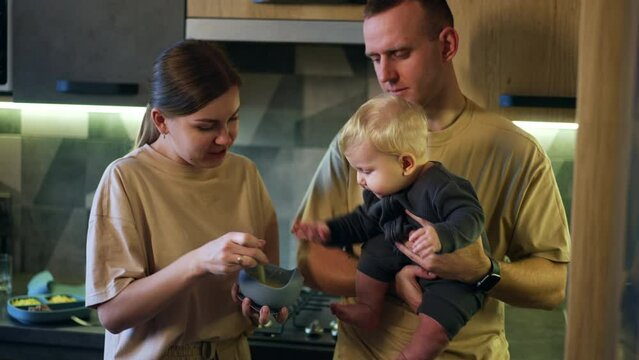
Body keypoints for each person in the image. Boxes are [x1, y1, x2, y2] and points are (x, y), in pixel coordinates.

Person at [294, 0, 571, 359]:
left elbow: (553, 287)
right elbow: (311, 259)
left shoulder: (516, 151)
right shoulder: (360, 143)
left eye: (399, 53)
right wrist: (394, 277)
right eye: (375, 58)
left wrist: (484, 271)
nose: (385, 74)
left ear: (447, 45)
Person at [85, 39, 287, 360]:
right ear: (161, 121)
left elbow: (266, 279)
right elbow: (112, 315)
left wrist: (261, 304)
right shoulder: (125, 179)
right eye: (206, 126)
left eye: (232, 118)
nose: (225, 137)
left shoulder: (245, 174)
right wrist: (197, 262)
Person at [292, 94, 489, 359]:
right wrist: (330, 231)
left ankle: (412, 355)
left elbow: (471, 217)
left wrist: (440, 235)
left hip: (451, 277)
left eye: (366, 170)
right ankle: (369, 308)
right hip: (401, 253)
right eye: (357, 171)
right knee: (374, 250)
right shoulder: (381, 191)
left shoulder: (443, 187)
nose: (360, 180)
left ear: (406, 163)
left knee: (438, 324)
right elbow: (363, 221)